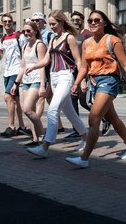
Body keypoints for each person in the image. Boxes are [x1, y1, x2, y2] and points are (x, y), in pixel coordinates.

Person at [64, 10, 126, 168]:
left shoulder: (113, 40)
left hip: (109, 80)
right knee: (113, 118)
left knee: (94, 118)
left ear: (104, 23)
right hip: (94, 82)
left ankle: (84, 158)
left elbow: (125, 64)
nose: (93, 23)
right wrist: (76, 83)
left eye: (96, 20)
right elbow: (84, 67)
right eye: (90, 20)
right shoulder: (86, 43)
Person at [25, 11, 88, 158]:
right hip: (54, 77)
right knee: (70, 113)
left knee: (53, 110)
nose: (51, 27)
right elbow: (47, 59)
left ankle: (45, 146)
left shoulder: (69, 38)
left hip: (66, 76)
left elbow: (78, 61)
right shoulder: (53, 39)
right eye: (50, 24)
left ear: (61, 22)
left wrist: (82, 80)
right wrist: (34, 66)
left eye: (54, 24)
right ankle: (86, 138)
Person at [14, 21, 47, 143]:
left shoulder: (39, 45)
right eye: (24, 31)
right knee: (30, 111)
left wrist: (43, 85)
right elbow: (22, 66)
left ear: (35, 31)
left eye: (29, 30)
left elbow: (42, 65)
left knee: (27, 109)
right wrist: (16, 83)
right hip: (26, 81)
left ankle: (43, 136)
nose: (26, 33)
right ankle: (35, 139)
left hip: (37, 80)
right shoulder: (24, 46)